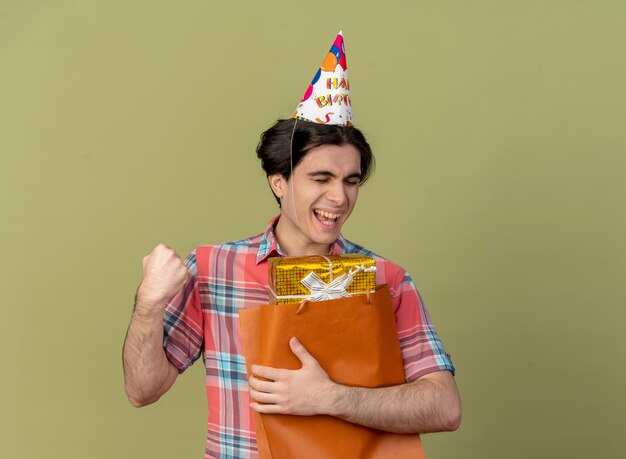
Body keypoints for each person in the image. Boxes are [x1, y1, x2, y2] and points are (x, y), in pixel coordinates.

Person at [123, 32, 461, 459]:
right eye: (321, 179)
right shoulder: (212, 269)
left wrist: (330, 398)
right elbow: (142, 390)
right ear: (278, 181)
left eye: (350, 181)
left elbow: (445, 406)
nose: (339, 198)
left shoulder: (385, 279)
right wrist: (149, 304)